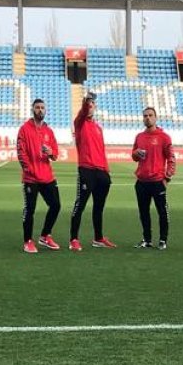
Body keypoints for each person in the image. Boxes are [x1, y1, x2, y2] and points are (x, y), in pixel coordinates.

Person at [69, 92, 116, 251]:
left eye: (92, 105)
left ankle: (98, 238)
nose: (90, 107)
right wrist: (87, 99)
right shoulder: (79, 123)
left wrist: (107, 171)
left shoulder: (98, 128)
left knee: (99, 207)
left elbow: (101, 150)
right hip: (86, 169)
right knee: (80, 204)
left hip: (101, 171)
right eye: (88, 105)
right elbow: (82, 111)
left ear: (95, 108)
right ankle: (73, 239)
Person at [16, 98, 61, 254]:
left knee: (56, 205)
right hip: (31, 178)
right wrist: (29, 170)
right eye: (37, 107)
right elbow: (21, 152)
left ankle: (45, 235)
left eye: (42, 108)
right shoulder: (24, 129)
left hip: (47, 176)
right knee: (30, 209)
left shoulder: (49, 131)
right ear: (32, 109)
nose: (40, 110)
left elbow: (55, 153)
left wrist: (51, 153)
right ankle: (27, 241)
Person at [131, 107, 176, 250]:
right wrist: (136, 153)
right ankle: (147, 240)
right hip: (142, 182)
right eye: (145, 116)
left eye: (150, 115)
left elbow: (171, 158)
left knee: (162, 212)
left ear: (156, 118)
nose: (147, 118)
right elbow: (133, 156)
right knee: (143, 213)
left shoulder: (164, 137)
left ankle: (163, 240)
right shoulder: (139, 137)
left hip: (157, 182)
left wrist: (167, 177)